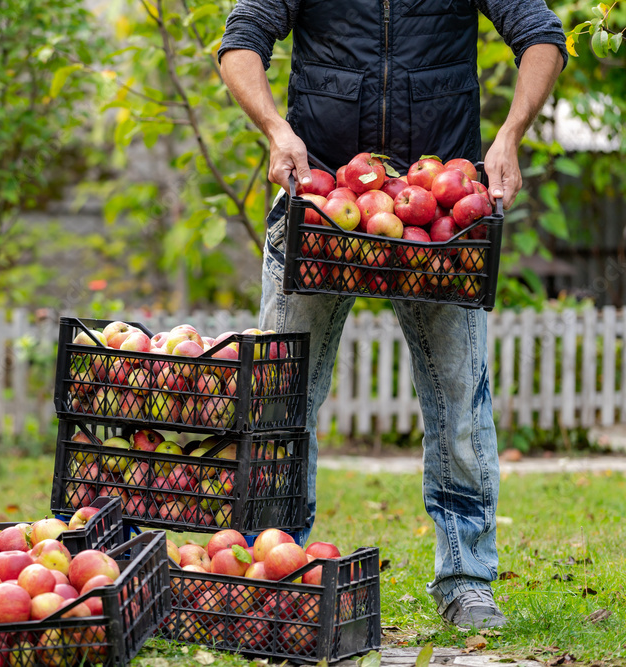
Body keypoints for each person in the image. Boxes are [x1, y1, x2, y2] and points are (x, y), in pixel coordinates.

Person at [218, 0, 565, 630]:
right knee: (280, 393)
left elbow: (541, 36)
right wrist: (275, 129)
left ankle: (466, 577)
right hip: (320, 204)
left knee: (460, 400)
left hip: (438, 209)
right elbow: (241, 41)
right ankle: (273, 565)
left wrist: (509, 135)